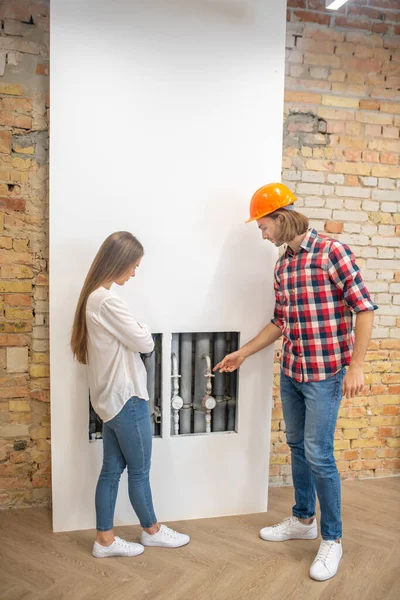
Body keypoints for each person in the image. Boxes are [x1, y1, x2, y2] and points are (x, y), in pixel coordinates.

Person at [214, 184, 377, 581]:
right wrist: (245, 352)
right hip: (293, 371)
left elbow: (364, 307)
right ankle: (304, 519)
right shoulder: (283, 266)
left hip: (325, 374)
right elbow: (281, 321)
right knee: (297, 447)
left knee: (319, 453)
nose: (262, 233)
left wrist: (356, 366)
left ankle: (332, 539)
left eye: (263, 225)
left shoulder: (331, 253)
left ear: (281, 218)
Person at [71, 231, 190, 558]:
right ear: (119, 262)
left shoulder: (95, 298)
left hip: (110, 402)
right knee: (138, 471)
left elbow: (135, 337)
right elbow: (146, 343)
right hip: (127, 400)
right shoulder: (107, 300)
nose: (134, 273)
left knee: (111, 470)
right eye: (133, 266)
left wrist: (135, 329)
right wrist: (139, 329)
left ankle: (104, 540)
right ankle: (152, 531)